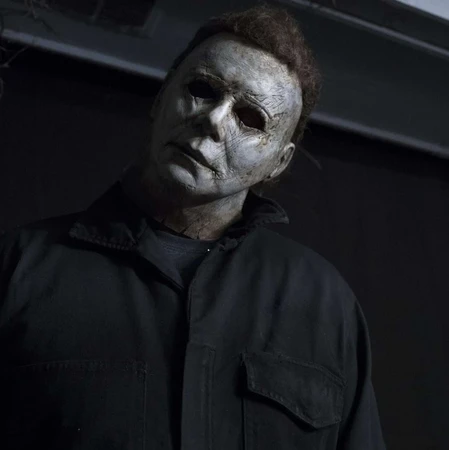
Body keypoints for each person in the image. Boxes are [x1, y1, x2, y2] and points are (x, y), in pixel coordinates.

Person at [0, 4, 386, 449]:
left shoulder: (326, 304)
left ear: (278, 163)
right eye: (203, 90)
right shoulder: (17, 268)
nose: (214, 121)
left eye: (251, 118)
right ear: (161, 97)